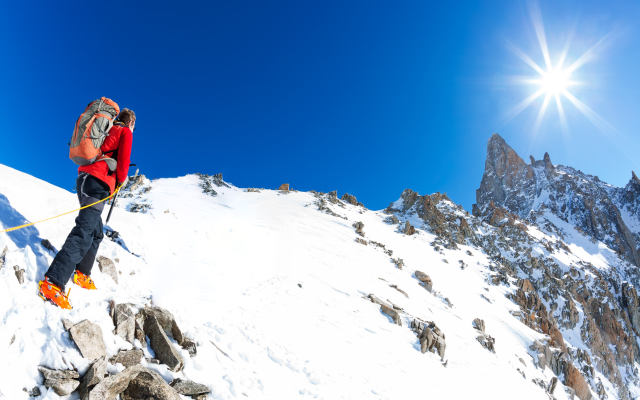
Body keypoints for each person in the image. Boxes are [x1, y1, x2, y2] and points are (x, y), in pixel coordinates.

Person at [38, 108, 135, 309]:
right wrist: (119, 181)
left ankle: (82, 272)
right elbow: (124, 162)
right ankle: (53, 282)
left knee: (96, 232)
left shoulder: (108, 130)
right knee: (83, 232)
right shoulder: (124, 132)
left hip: (84, 181)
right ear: (130, 122)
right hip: (98, 183)